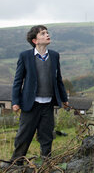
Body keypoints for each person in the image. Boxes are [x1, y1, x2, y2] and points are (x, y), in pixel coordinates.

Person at [1, 25, 69, 168]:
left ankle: (46, 163)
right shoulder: (25, 56)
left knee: (46, 135)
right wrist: (15, 101)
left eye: (47, 32)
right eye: (43, 33)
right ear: (35, 40)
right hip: (30, 104)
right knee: (24, 135)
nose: (47, 35)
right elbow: (18, 81)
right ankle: (16, 163)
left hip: (48, 104)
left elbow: (58, 79)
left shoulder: (55, 55)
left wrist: (64, 99)